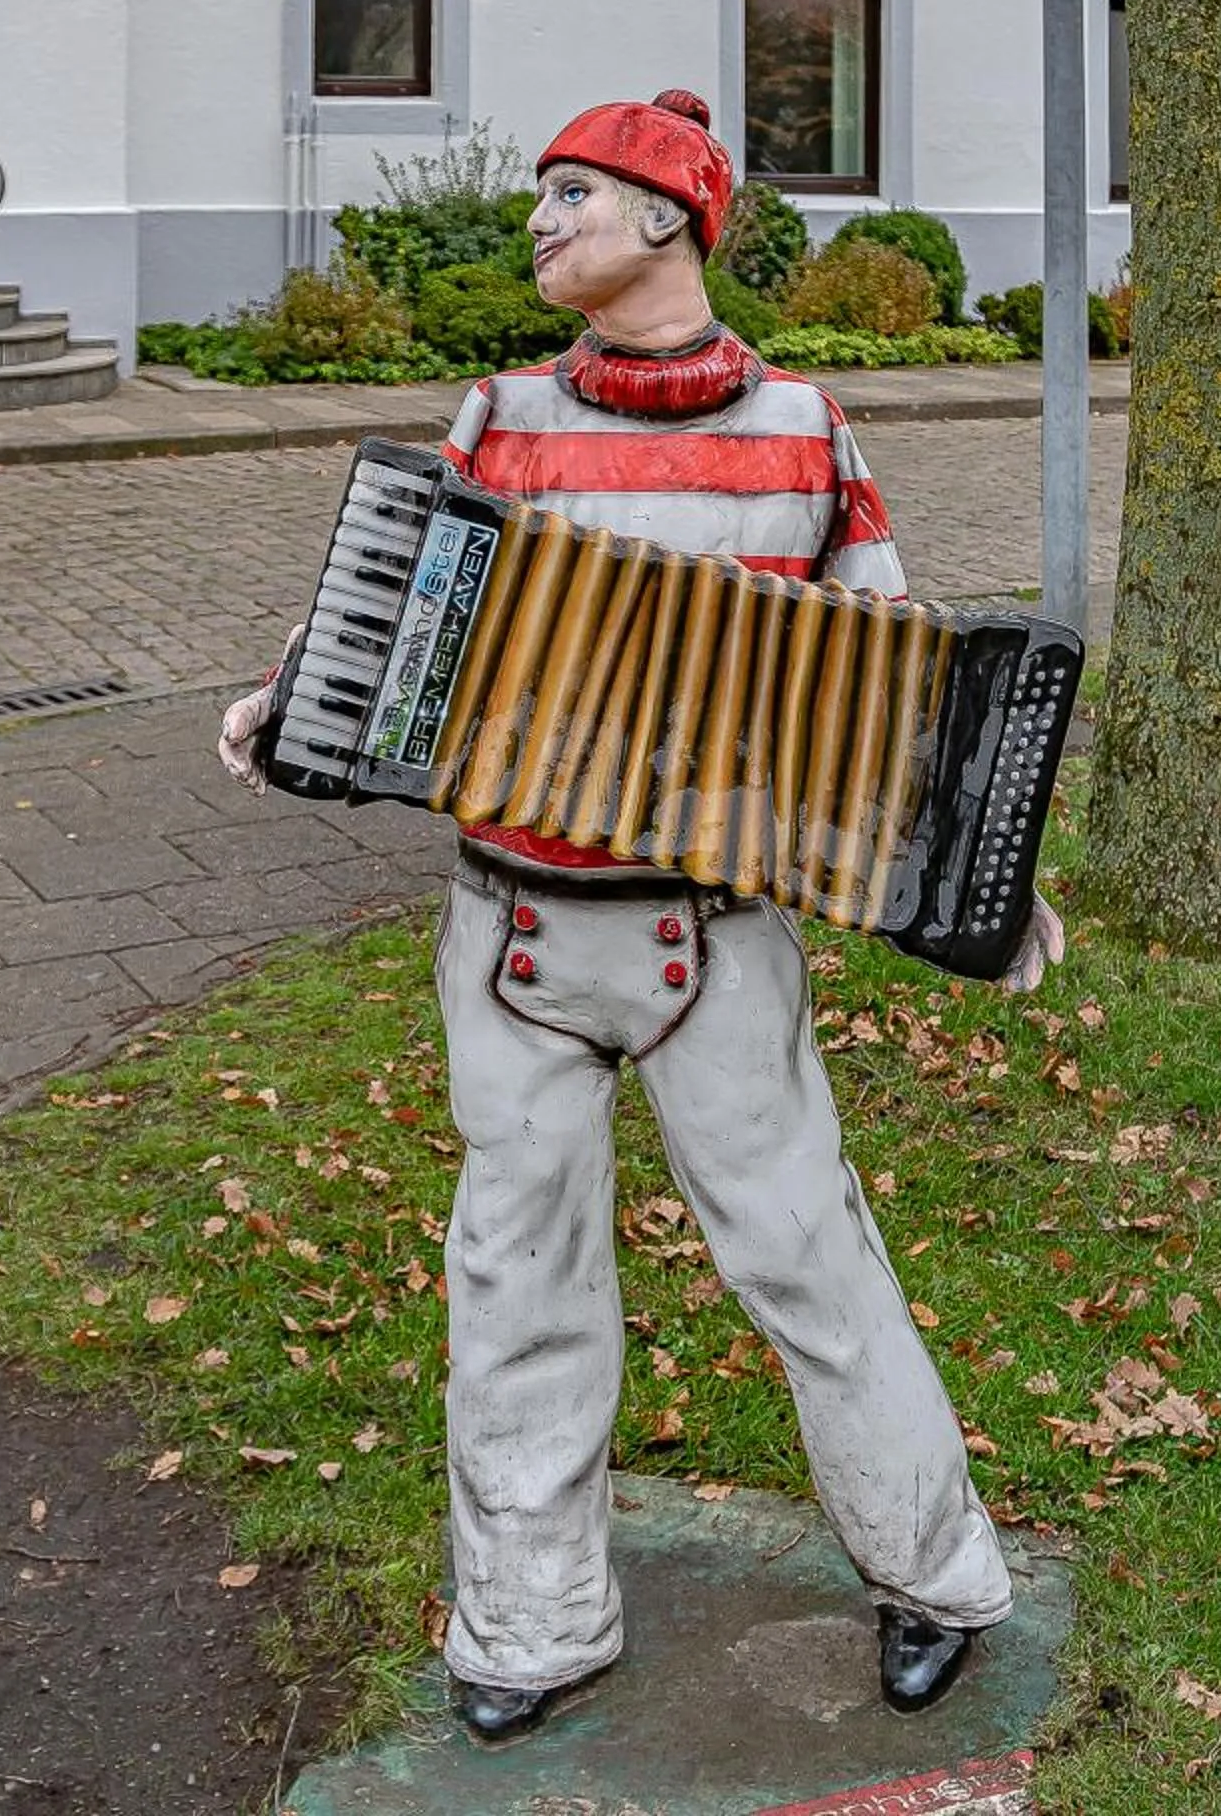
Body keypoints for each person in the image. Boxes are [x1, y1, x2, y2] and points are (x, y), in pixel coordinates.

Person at [220, 88, 1061, 1744]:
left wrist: (986, 873)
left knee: (813, 1257)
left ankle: (935, 1572)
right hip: (514, 925)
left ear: (669, 218)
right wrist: (293, 699)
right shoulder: (499, 411)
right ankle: (531, 1621)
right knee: (515, 1271)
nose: (539, 225)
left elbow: (894, 686)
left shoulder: (809, 432)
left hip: (717, 939)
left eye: (572, 198)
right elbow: (399, 619)